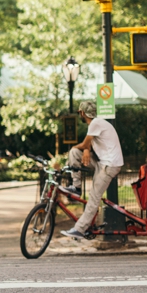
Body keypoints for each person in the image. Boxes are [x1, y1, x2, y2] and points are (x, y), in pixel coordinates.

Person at [60, 100, 124, 240]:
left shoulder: (96, 123)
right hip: (103, 163)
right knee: (75, 153)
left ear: (83, 113)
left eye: (80, 113)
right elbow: (87, 144)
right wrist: (85, 150)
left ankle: (79, 230)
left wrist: (85, 149)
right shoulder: (97, 123)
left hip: (109, 165)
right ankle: (76, 187)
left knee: (94, 197)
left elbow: (84, 143)